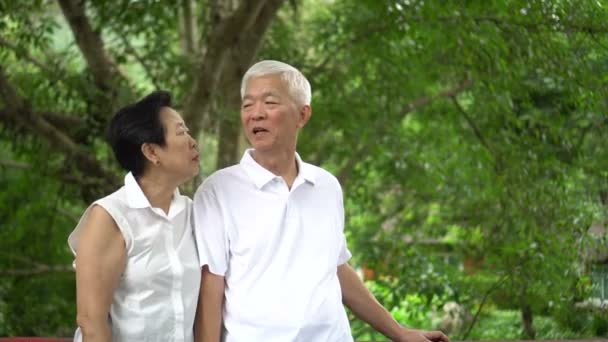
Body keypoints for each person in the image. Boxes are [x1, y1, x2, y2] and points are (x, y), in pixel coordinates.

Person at [192, 60, 450, 342]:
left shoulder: (326, 186)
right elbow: (211, 286)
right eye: (247, 104)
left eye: (269, 102)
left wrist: (399, 332)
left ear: (302, 115)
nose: (256, 114)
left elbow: (336, 268)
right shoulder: (218, 191)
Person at [67, 90, 201, 342]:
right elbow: (91, 322)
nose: (193, 141)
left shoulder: (192, 213)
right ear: (151, 152)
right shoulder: (110, 217)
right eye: (181, 132)